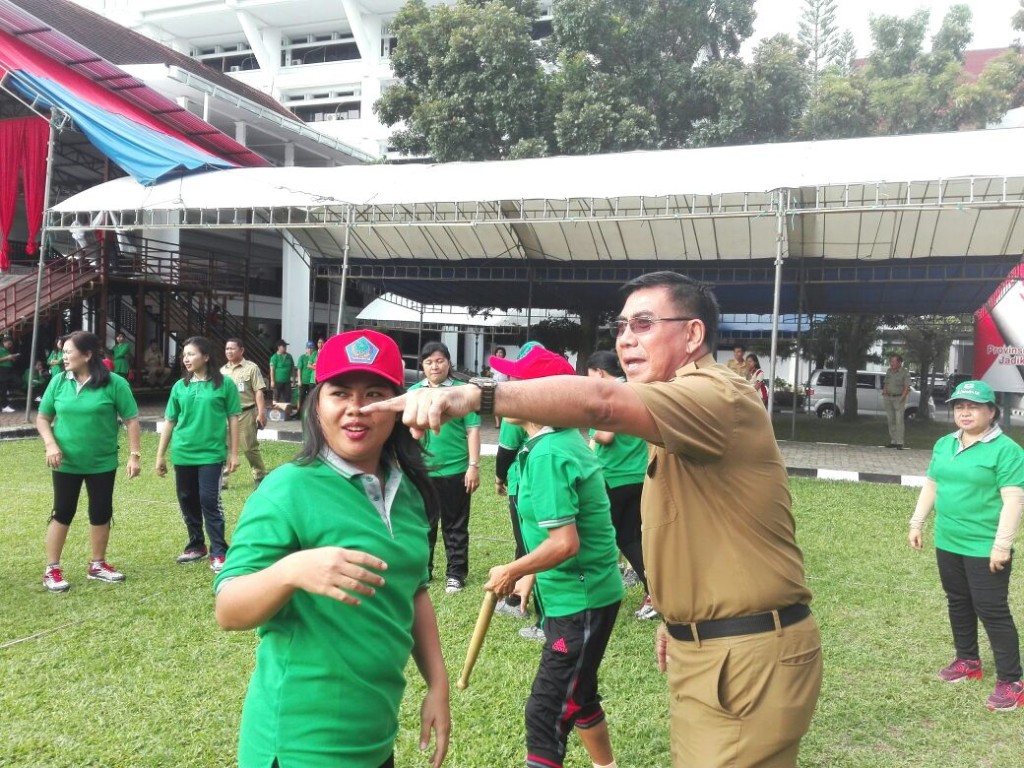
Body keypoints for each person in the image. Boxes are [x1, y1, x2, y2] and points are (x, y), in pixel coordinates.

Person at [370, 271, 822, 767]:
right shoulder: (679, 406)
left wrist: (478, 396)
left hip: (745, 651)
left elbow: (602, 403)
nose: (626, 338)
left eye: (645, 324)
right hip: (712, 647)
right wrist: (679, 615)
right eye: (622, 325)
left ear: (693, 334)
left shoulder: (718, 396)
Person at [213, 329, 450, 768]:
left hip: (374, 739)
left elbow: (413, 589)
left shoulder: (408, 491)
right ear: (316, 404)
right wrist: (293, 571)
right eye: (340, 393)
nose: (356, 409)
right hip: (300, 745)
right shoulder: (288, 488)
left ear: (398, 406)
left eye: (375, 394)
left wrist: (437, 685)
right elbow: (228, 609)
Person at [483, 346, 624, 768]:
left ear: (542, 397)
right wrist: (532, 574)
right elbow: (555, 535)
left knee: (546, 712)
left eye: (514, 384)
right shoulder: (554, 442)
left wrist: (513, 568)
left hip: (581, 601)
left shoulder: (549, 453)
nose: (504, 390)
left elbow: (565, 544)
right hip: (580, 594)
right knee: (580, 696)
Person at [908, 380, 1024, 711]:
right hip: (948, 539)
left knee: (992, 609)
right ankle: (968, 661)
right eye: (959, 406)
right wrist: (917, 523)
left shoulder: (1008, 451)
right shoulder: (945, 443)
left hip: (985, 546)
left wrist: (1002, 544)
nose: (965, 412)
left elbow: (1014, 500)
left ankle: (1012, 682)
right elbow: (932, 484)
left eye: (973, 406)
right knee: (958, 601)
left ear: (991, 411)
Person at [35, 330, 141, 592]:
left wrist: (134, 455)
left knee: (101, 511)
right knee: (62, 511)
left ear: (87, 355)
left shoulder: (115, 383)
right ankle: (52, 569)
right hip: (66, 462)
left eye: (69, 351)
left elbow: (131, 419)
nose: (63, 357)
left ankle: (98, 565)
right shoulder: (59, 381)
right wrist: (51, 444)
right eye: (63, 352)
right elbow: (42, 418)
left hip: (102, 462)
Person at [156, 336, 241, 572]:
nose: (186, 359)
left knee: (209, 500)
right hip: (182, 453)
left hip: (211, 454)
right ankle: (196, 545)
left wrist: (234, 454)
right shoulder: (179, 387)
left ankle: (219, 550)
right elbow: (170, 421)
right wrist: (160, 455)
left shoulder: (224, 385)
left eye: (191, 354)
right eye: (184, 355)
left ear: (206, 357)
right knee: (187, 500)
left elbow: (233, 419)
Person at [585, 350, 655, 620]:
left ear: (600, 373)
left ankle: (593, 597)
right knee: (631, 538)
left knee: (596, 538)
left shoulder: (610, 395)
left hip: (613, 476)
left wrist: (590, 423)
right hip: (638, 476)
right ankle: (655, 594)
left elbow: (605, 435)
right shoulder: (637, 391)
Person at [409, 341, 481, 593]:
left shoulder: (463, 392)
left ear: (448, 363)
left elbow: (473, 431)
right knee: (422, 525)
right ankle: (422, 571)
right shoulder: (415, 392)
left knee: (455, 524)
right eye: (428, 362)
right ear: (422, 366)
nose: (434, 366)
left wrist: (473, 466)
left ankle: (456, 573)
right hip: (423, 471)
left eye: (439, 361)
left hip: (456, 470)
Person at [222, 338, 268, 488]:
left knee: (249, 447)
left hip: (246, 413)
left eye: (232, 348)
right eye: (227, 349)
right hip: (227, 414)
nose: (229, 351)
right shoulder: (222, 371)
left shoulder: (251, 368)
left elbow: (259, 391)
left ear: (241, 350)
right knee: (224, 447)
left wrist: (261, 412)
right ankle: (223, 479)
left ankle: (260, 475)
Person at [883, 354, 911, 449]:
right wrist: (885, 393)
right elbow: (886, 382)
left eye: (894, 361)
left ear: (899, 362)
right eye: (891, 361)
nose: (891, 363)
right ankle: (893, 441)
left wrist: (902, 398)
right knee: (891, 420)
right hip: (889, 398)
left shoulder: (904, 372)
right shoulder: (889, 371)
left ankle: (900, 442)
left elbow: (907, 387)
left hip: (899, 398)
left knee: (899, 421)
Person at [269, 340, 295, 408]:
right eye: (283, 346)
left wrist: (293, 379)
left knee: (288, 396)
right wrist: (272, 381)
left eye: (285, 346)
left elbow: (292, 368)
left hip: (287, 381)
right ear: (279, 347)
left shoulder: (289, 356)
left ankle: (287, 412)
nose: (285, 347)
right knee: (276, 396)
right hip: (278, 380)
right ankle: (274, 412)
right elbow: (272, 370)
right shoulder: (274, 357)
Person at [490, 346, 509, 427]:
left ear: (503, 354)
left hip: (504, 384)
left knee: (505, 402)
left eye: (500, 352)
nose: (499, 354)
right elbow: (492, 374)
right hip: (495, 384)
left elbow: (508, 374)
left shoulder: (506, 363)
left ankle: (505, 421)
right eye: (497, 352)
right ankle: (497, 423)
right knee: (495, 403)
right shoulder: (493, 363)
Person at [297, 339, 318, 412]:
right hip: (304, 380)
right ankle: (299, 412)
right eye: (308, 348)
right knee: (301, 397)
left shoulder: (315, 357)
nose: (309, 350)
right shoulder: (302, 357)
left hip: (311, 381)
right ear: (306, 349)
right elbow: (299, 369)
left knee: (310, 398)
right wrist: (299, 380)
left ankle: (309, 413)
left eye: (311, 348)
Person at [0, 335, 20, 413]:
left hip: (9, 370)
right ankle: (4, 406)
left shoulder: (7, 351)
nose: (10, 346)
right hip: (2, 370)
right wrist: (7, 358)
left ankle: (5, 403)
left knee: (17, 382)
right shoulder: (1, 350)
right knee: (3, 389)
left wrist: (12, 358)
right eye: (8, 344)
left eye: (11, 344)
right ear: (4, 342)